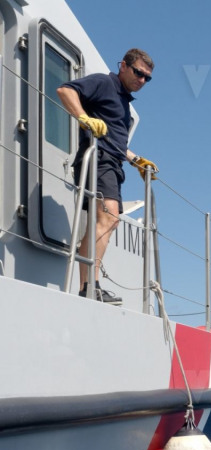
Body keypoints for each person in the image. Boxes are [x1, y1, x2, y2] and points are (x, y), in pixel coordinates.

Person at [56, 48, 158, 304]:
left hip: (112, 163)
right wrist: (84, 119)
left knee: (109, 221)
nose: (142, 80)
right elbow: (65, 90)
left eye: (147, 78)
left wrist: (136, 160)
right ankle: (90, 285)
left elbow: (115, 141)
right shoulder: (103, 82)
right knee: (109, 217)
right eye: (138, 73)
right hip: (97, 160)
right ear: (123, 66)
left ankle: (90, 284)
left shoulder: (124, 104)